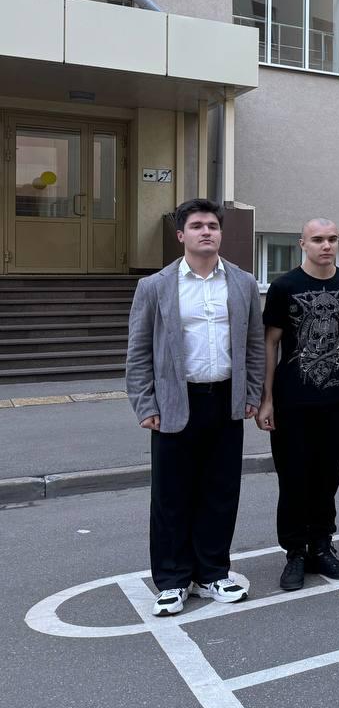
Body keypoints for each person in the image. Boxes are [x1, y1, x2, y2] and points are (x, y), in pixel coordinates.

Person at [125, 198, 265, 616]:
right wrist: (144, 403)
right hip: (173, 403)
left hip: (225, 401)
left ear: (221, 234)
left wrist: (252, 394)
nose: (207, 232)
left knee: (221, 492)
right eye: (198, 225)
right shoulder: (155, 286)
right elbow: (138, 353)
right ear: (181, 234)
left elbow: (254, 345)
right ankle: (171, 581)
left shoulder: (241, 283)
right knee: (172, 496)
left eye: (213, 226)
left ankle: (212, 573)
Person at [257, 218, 339, 591]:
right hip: (292, 401)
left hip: (335, 400)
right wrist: (266, 399)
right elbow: (270, 344)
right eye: (318, 239)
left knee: (327, 476)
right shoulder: (285, 286)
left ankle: (322, 546)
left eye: (333, 239)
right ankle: (294, 553)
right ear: (302, 243)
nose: (326, 245)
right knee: (293, 478)